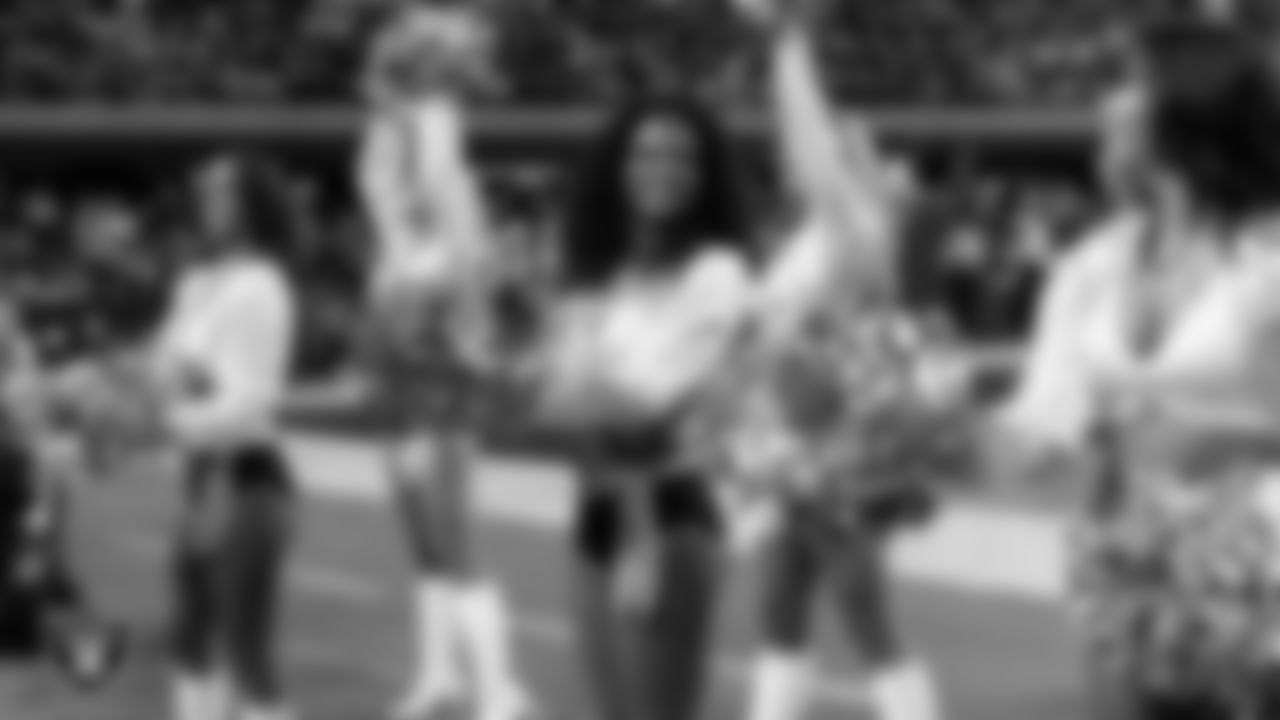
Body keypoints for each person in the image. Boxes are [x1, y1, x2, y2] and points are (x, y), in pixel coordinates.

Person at [987, 20, 1280, 719]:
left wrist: (1237, 459)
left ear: (1188, 104)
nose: (1107, 104)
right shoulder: (1091, 266)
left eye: (1128, 84)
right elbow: (1041, 429)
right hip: (1131, 569)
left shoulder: (1268, 256)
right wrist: (912, 422)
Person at [722, 2, 964, 720]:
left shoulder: (860, 228)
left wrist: (789, 44)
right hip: (799, 433)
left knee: (859, 600)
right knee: (785, 594)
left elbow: (811, 150)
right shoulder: (820, 237)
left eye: (865, 147)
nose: (849, 147)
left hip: (848, 438)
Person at [539, 88, 755, 720]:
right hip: (593, 515)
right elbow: (556, 401)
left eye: (683, 157)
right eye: (645, 153)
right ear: (617, 165)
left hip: (667, 518)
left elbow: (653, 407)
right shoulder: (598, 273)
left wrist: (570, 381)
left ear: (706, 175)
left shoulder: (718, 271)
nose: (662, 169)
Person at [357, 6, 531, 720]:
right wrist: (391, 98)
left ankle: (500, 692)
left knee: (460, 543)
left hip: (449, 399)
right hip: (402, 400)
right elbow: (377, 175)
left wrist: (430, 91)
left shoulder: (458, 206)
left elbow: (435, 165)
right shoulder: (395, 236)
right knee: (424, 543)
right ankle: (438, 675)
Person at [93, 151, 300, 720]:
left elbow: (250, 403)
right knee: (189, 640)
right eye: (204, 189)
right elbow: (162, 365)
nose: (206, 199)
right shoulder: (198, 282)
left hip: (249, 481)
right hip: (202, 483)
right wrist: (116, 385)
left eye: (222, 190)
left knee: (246, 654)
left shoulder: (263, 286)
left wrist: (159, 421)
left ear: (253, 204)